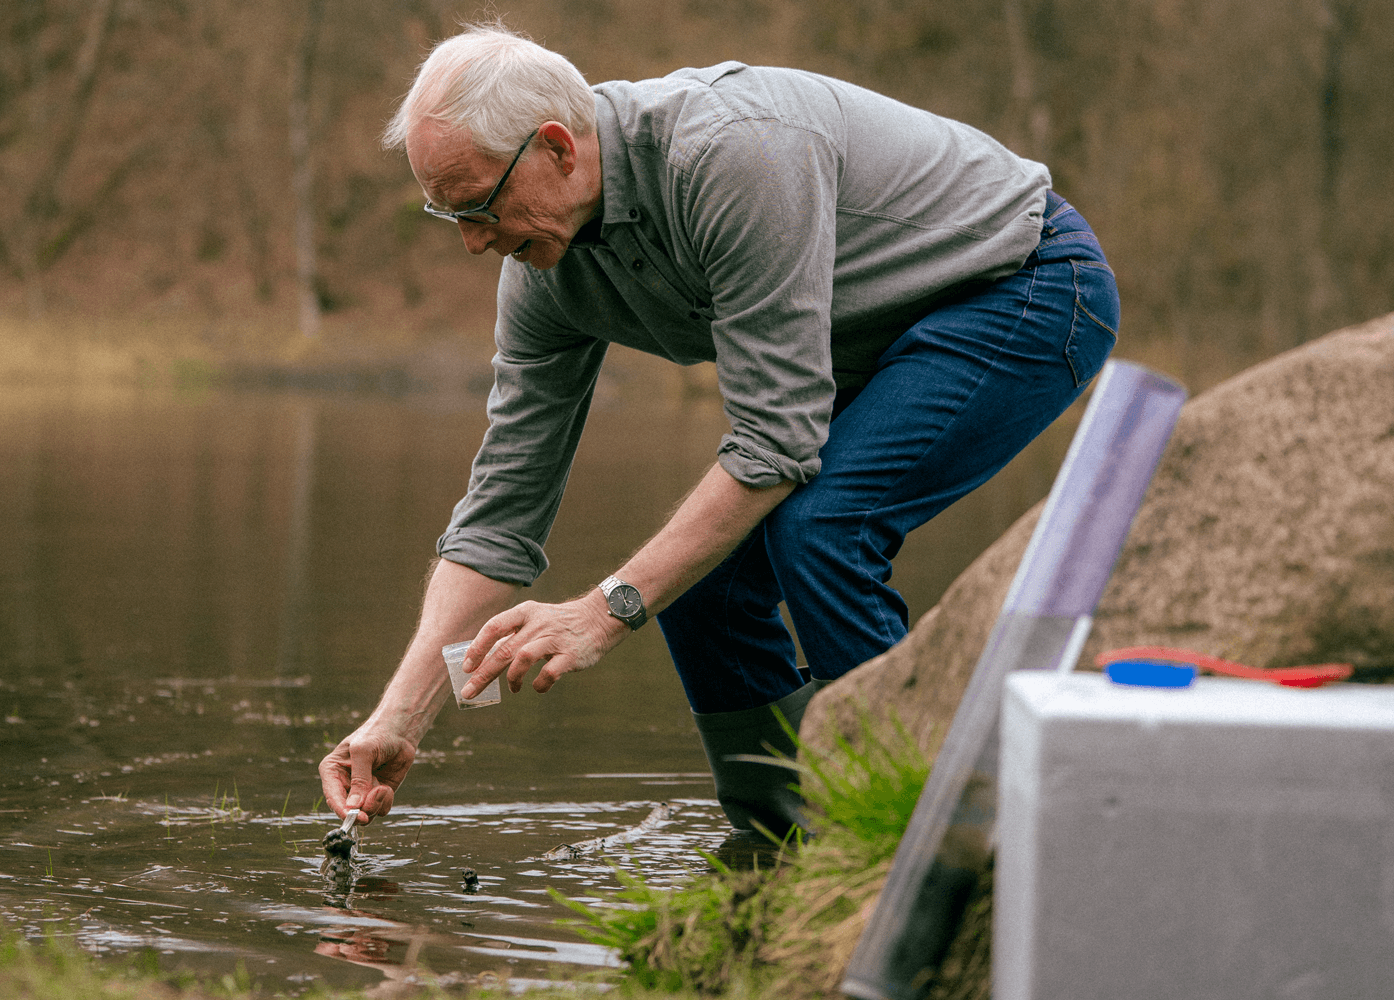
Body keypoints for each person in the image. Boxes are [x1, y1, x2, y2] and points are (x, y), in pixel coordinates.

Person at [318, 22, 1118, 846]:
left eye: (480, 205)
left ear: (556, 147)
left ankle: (923, 836)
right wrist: (400, 715)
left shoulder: (731, 155)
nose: (474, 242)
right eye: (447, 214)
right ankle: (786, 850)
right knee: (703, 586)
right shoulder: (540, 272)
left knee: (824, 530)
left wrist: (603, 611)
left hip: (1021, 284)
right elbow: (499, 515)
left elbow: (776, 441)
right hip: (864, 345)